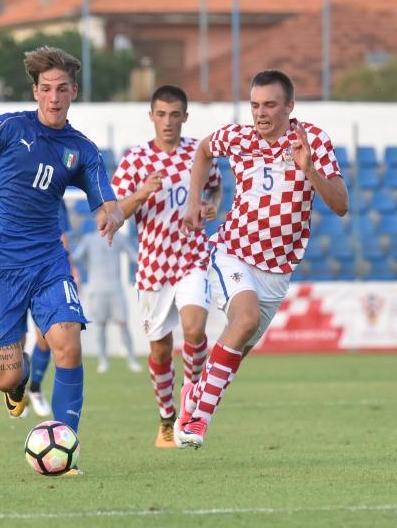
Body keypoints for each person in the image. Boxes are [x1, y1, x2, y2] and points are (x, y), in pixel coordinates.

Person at [0, 47, 124, 458]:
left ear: (73, 92)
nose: (54, 97)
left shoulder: (83, 149)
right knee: (6, 378)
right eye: (46, 89)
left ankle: (66, 444)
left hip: (47, 260)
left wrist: (112, 216)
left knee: (68, 343)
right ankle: (20, 384)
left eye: (62, 89)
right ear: (35, 92)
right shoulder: (8, 129)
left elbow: (107, 202)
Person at [176, 69, 349, 449]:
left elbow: (340, 204)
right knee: (246, 318)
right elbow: (203, 150)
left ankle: (194, 395)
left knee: (239, 346)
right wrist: (193, 201)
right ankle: (198, 423)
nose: (261, 113)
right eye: (255, 105)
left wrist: (309, 170)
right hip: (232, 251)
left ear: (290, 106)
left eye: (270, 105)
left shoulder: (313, 140)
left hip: (278, 270)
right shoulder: (237, 137)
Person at [111, 84, 222, 448]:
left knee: (194, 329)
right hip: (153, 267)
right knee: (160, 350)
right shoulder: (136, 160)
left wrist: (210, 206)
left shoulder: (198, 153)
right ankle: (166, 419)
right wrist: (141, 193)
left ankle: (192, 408)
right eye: (161, 114)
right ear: (151, 117)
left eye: (175, 114)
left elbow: (215, 188)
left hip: (192, 256)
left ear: (185, 117)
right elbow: (113, 213)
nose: (168, 122)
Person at [27, 199, 77, 417]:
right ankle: (16, 389)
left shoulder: (54, 194)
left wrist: (69, 269)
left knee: (45, 336)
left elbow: (61, 235)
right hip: (11, 270)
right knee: (14, 341)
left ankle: (34, 388)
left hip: (47, 272)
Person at [71, 218, 141, 374]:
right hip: (97, 290)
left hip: (116, 288)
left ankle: (131, 359)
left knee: (123, 323)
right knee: (100, 326)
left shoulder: (118, 238)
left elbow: (134, 256)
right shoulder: (88, 240)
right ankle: (103, 360)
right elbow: (75, 258)